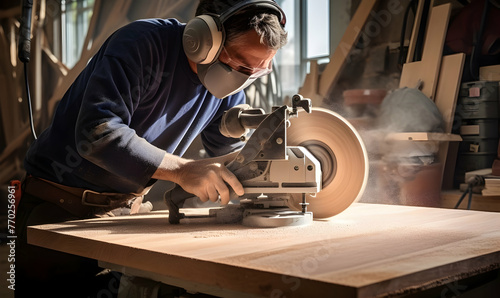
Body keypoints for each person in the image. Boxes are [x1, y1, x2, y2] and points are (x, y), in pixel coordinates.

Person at [15, 0, 287, 297]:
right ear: (205, 38)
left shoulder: (227, 87)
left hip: (126, 217)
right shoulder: (141, 45)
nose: (245, 79)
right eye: (243, 65)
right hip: (59, 214)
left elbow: (232, 155)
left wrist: (277, 171)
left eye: (258, 72)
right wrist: (182, 170)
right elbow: (98, 133)